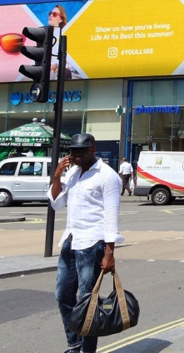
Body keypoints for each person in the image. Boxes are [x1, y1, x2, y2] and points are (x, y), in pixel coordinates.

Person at [48, 133, 123, 353]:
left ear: (93, 149)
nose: (76, 154)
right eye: (73, 151)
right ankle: (74, 344)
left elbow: (111, 215)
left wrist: (109, 253)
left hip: (93, 243)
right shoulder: (71, 173)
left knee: (87, 301)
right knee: (62, 295)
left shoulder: (108, 176)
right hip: (71, 241)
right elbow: (56, 204)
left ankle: (87, 349)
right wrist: (57, 176)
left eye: (81, 150)